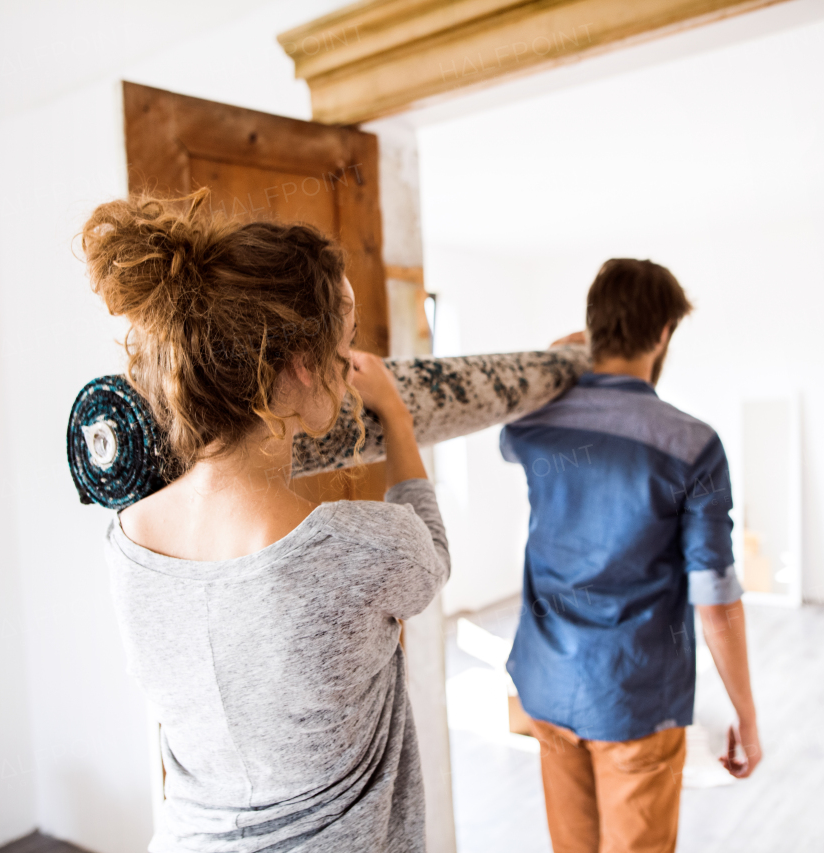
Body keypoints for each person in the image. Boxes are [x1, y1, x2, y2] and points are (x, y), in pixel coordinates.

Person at [83, 193, 450, 852]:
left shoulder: (126, 539)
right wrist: (395, 415)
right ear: (302, 364)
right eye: (346, 343)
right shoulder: (355, 545)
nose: (350, 366)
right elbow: (432, 558)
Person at [500, 259, 760, 853]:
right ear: (664, 332)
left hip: (545, 685)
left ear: (592, 328)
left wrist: (555, 358)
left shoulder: (537, 424)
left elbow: (507, 435)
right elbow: (715, 599)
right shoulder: (692, 445)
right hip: (633, 698)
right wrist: (744, 712)